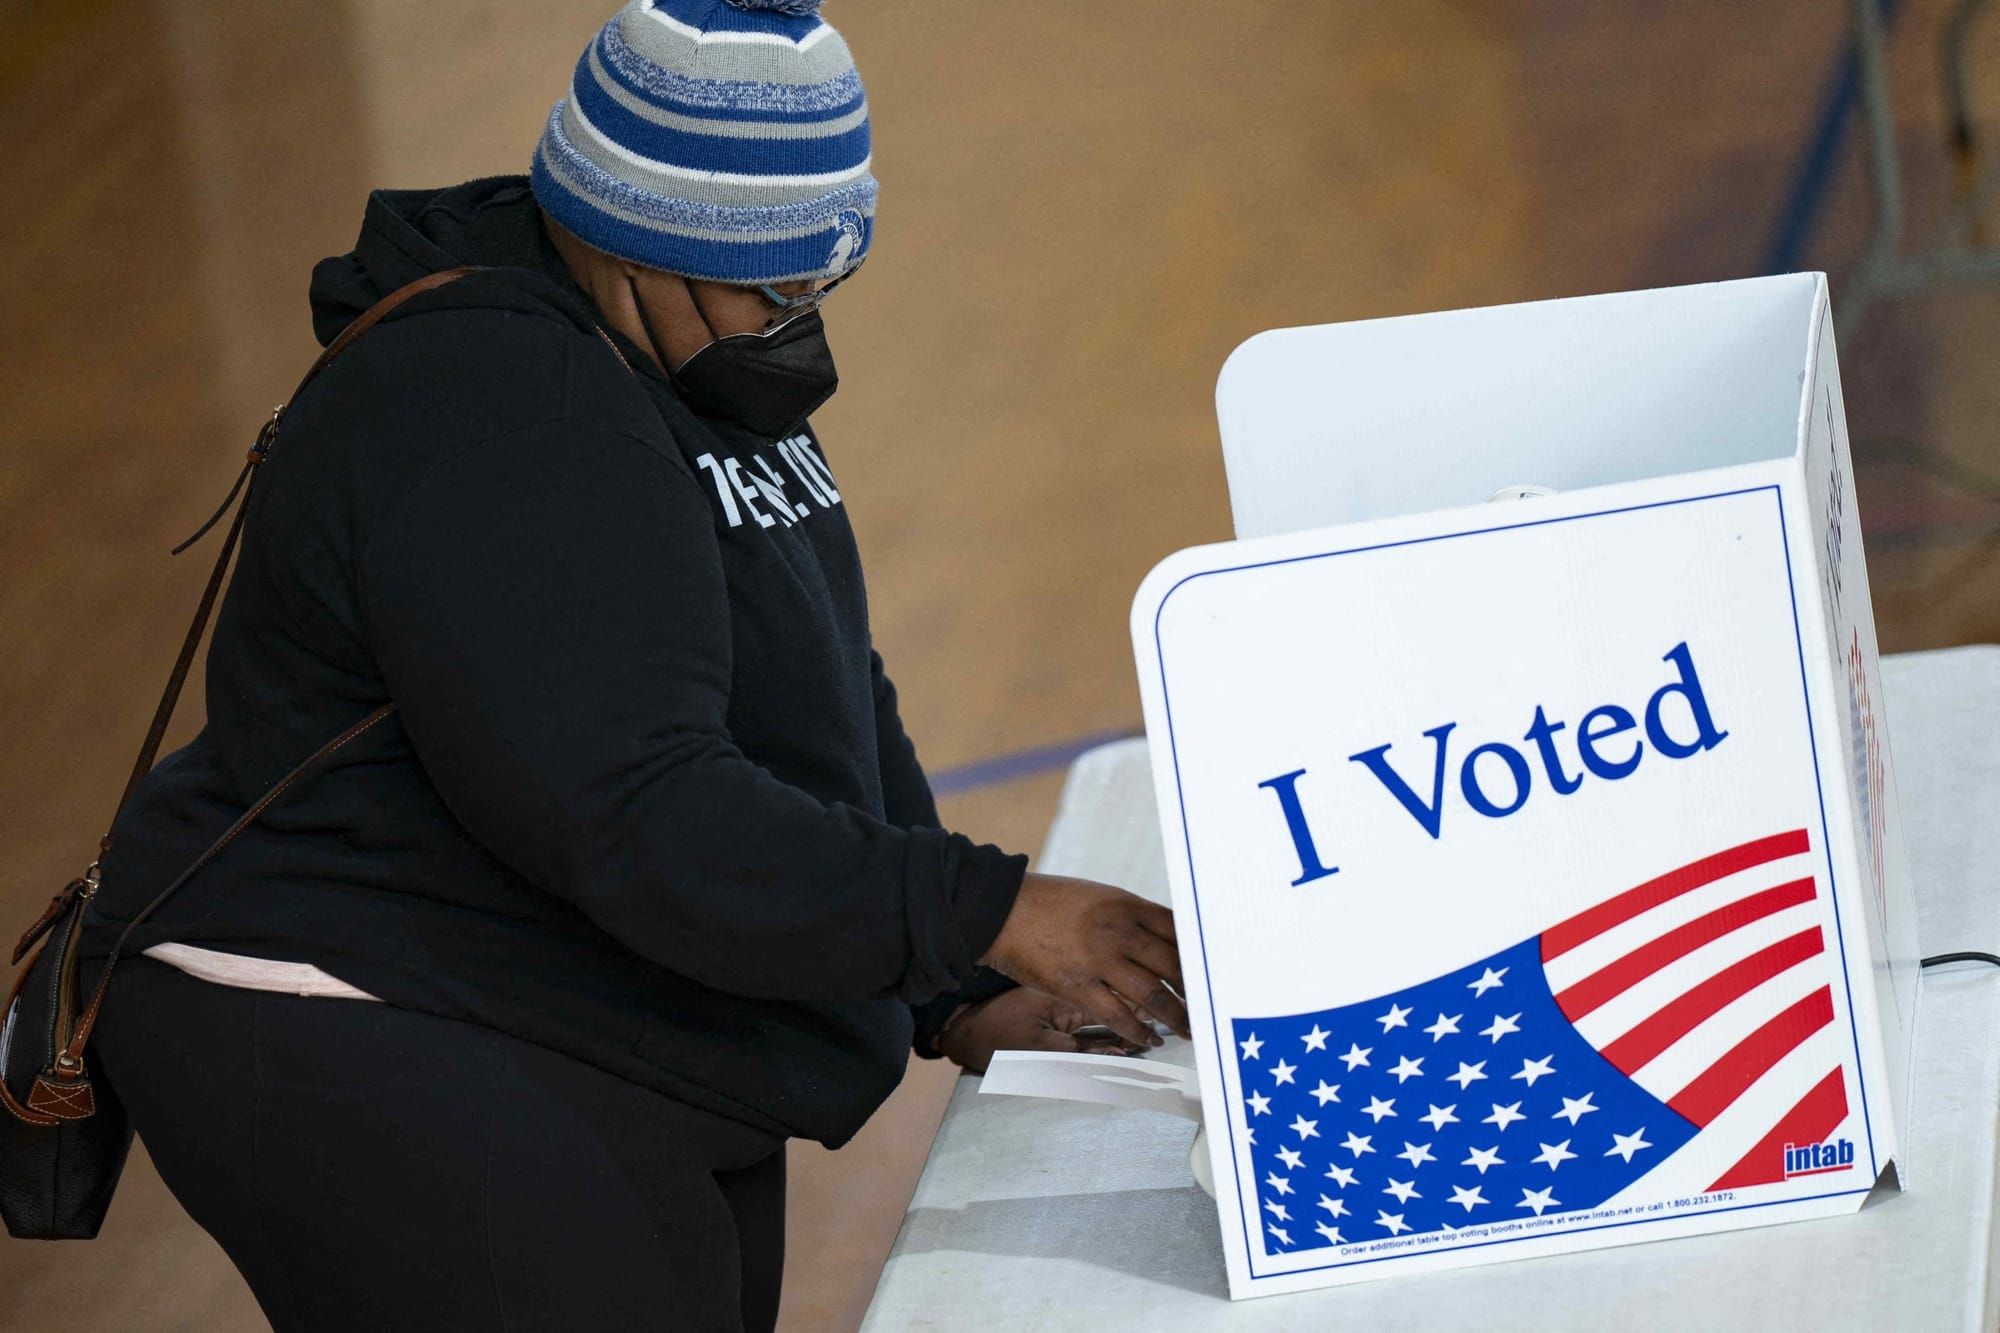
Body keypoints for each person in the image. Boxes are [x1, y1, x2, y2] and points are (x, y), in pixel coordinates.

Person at [77, 1, 1185, 1329]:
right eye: (768, 291)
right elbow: (637, 809)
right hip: (355, 1003)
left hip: (559, 981)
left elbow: (826, 686)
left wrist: (948, 990)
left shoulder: (690, 368)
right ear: (626, 237)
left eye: (819, 288)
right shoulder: (494, 405)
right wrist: (986, 907)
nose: (797, 329)